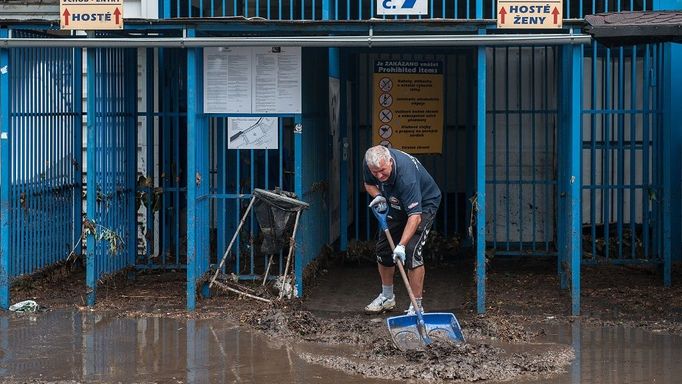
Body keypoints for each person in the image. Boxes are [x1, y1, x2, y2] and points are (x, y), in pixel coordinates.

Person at [362, 145, 441, 315]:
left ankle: (416, 305)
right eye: (375, 172)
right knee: (383, 251)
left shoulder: (407, 177)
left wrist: (402, 245)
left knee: (412, 251)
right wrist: (378, 196)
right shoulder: (371, 162)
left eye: (383, 171)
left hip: (424, 204)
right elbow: (368, 184)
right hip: (395, 201)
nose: (380, 176)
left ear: (390, 161)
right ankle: (387, 297)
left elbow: (415, 217)